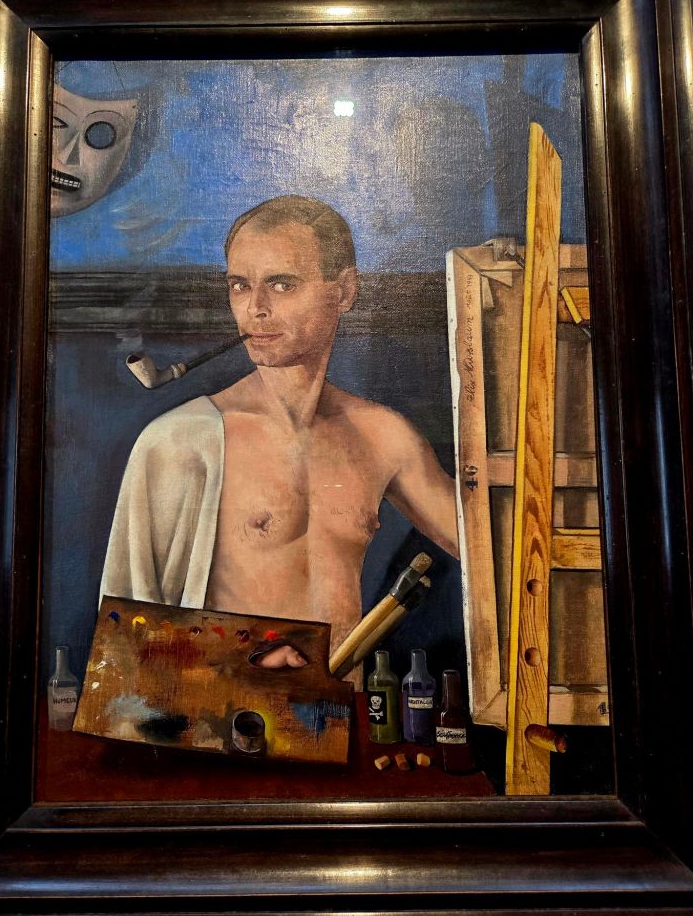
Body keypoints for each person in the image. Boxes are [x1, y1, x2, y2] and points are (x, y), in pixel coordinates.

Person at [100, 196, 459, 669]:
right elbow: (123, 641)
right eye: (240, 286)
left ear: (345, 291)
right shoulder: (180, 442)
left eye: (282, 284)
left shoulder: (384, 436)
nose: (256, 308)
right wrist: (241, 660)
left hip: (341, 708)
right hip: (226, 713)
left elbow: (493, 553)